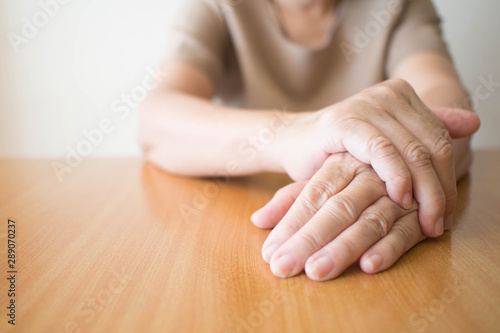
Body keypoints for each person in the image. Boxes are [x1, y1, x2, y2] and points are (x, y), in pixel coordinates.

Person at [139, 0, 480, 281]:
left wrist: (384, 165)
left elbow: (448, 110)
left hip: (377, 209)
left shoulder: (399, 5)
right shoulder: (218, 7)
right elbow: (156, 120)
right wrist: (292, 133)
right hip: (244, 216)